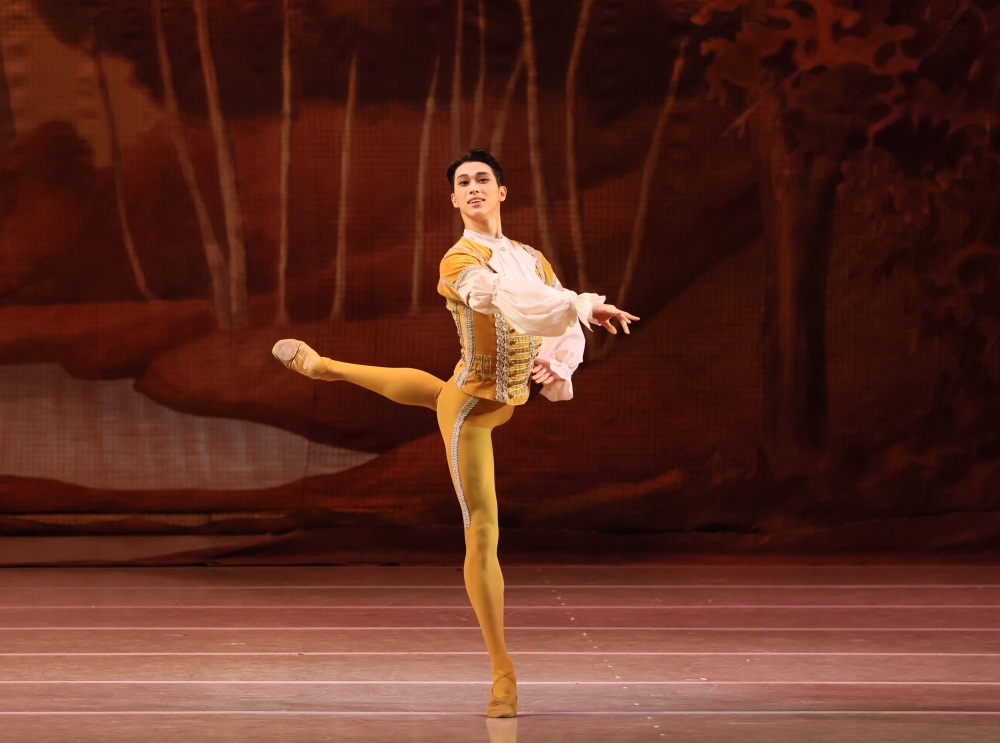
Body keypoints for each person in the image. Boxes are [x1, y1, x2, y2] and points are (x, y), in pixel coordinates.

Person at [272, 149, 639, 717]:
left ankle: (325, 367)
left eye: (482, 179)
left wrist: (558, 359)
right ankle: (503, 673)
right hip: (471, 408)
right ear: (453, 199)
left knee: (434, 391)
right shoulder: (458, 262)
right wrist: (585, 305)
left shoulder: (531, 258)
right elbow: (511, 300)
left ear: (502, 191)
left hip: (503, 399)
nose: (473, 188)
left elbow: (552, 317)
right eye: (463, 182)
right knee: (482, 529)